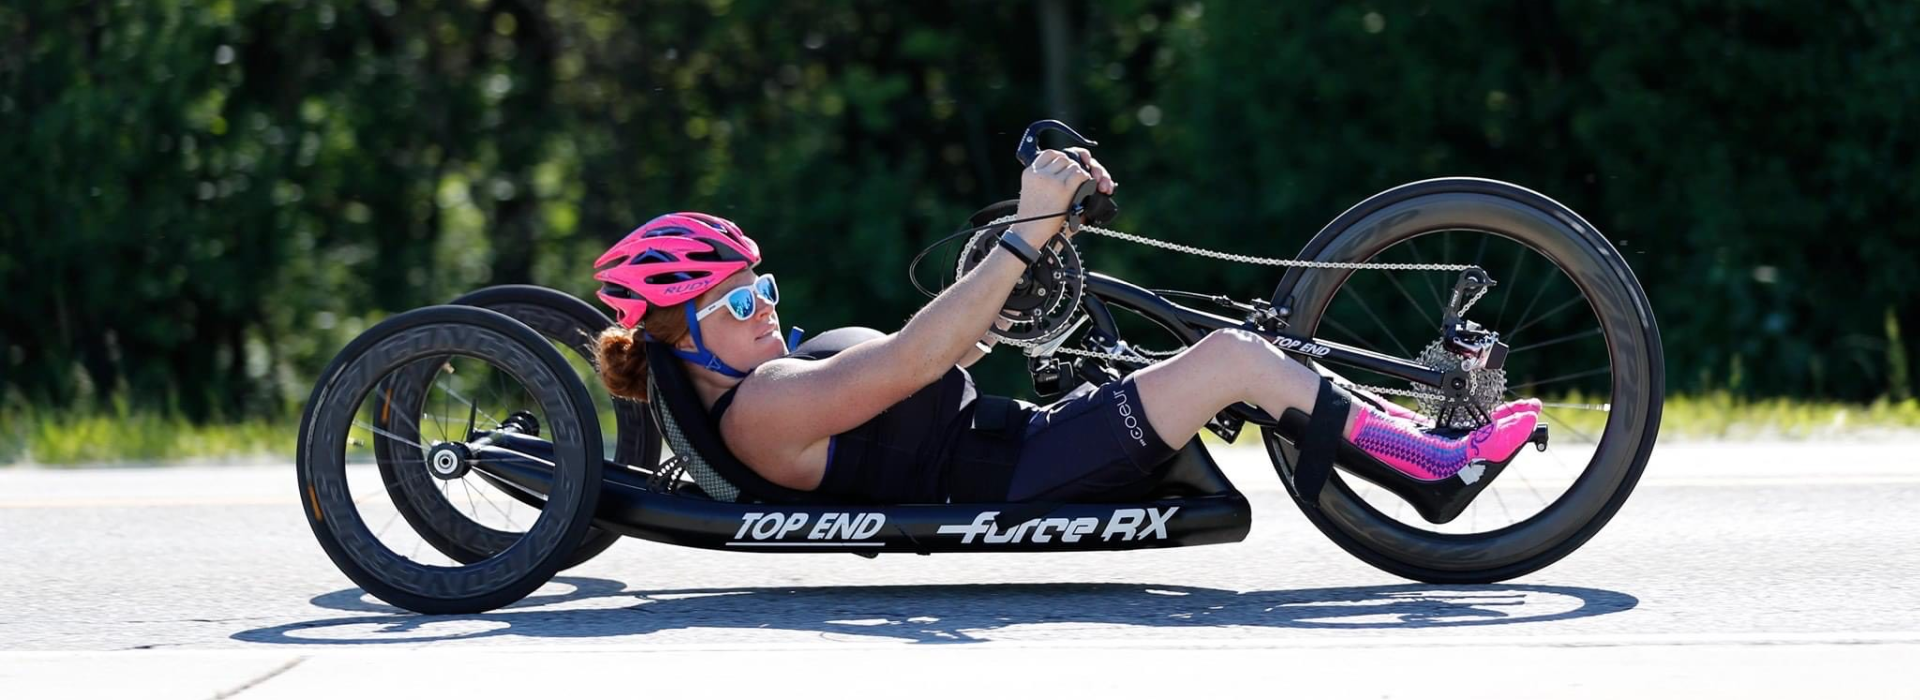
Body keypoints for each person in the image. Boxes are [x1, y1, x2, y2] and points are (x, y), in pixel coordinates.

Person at [591, 148, 1540, 504]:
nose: (771, 312)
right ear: (683, 333)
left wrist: (1029, 258)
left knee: (1236, 343)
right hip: (1023, 475)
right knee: (1232, 358)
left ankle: (1416, 434)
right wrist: (1023, 230)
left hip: (1021, 446)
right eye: (742, 304)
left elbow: (940, 357)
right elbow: (918, 355)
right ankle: (1432, 468)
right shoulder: (762, 410)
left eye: (768, 289)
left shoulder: (771, 384)